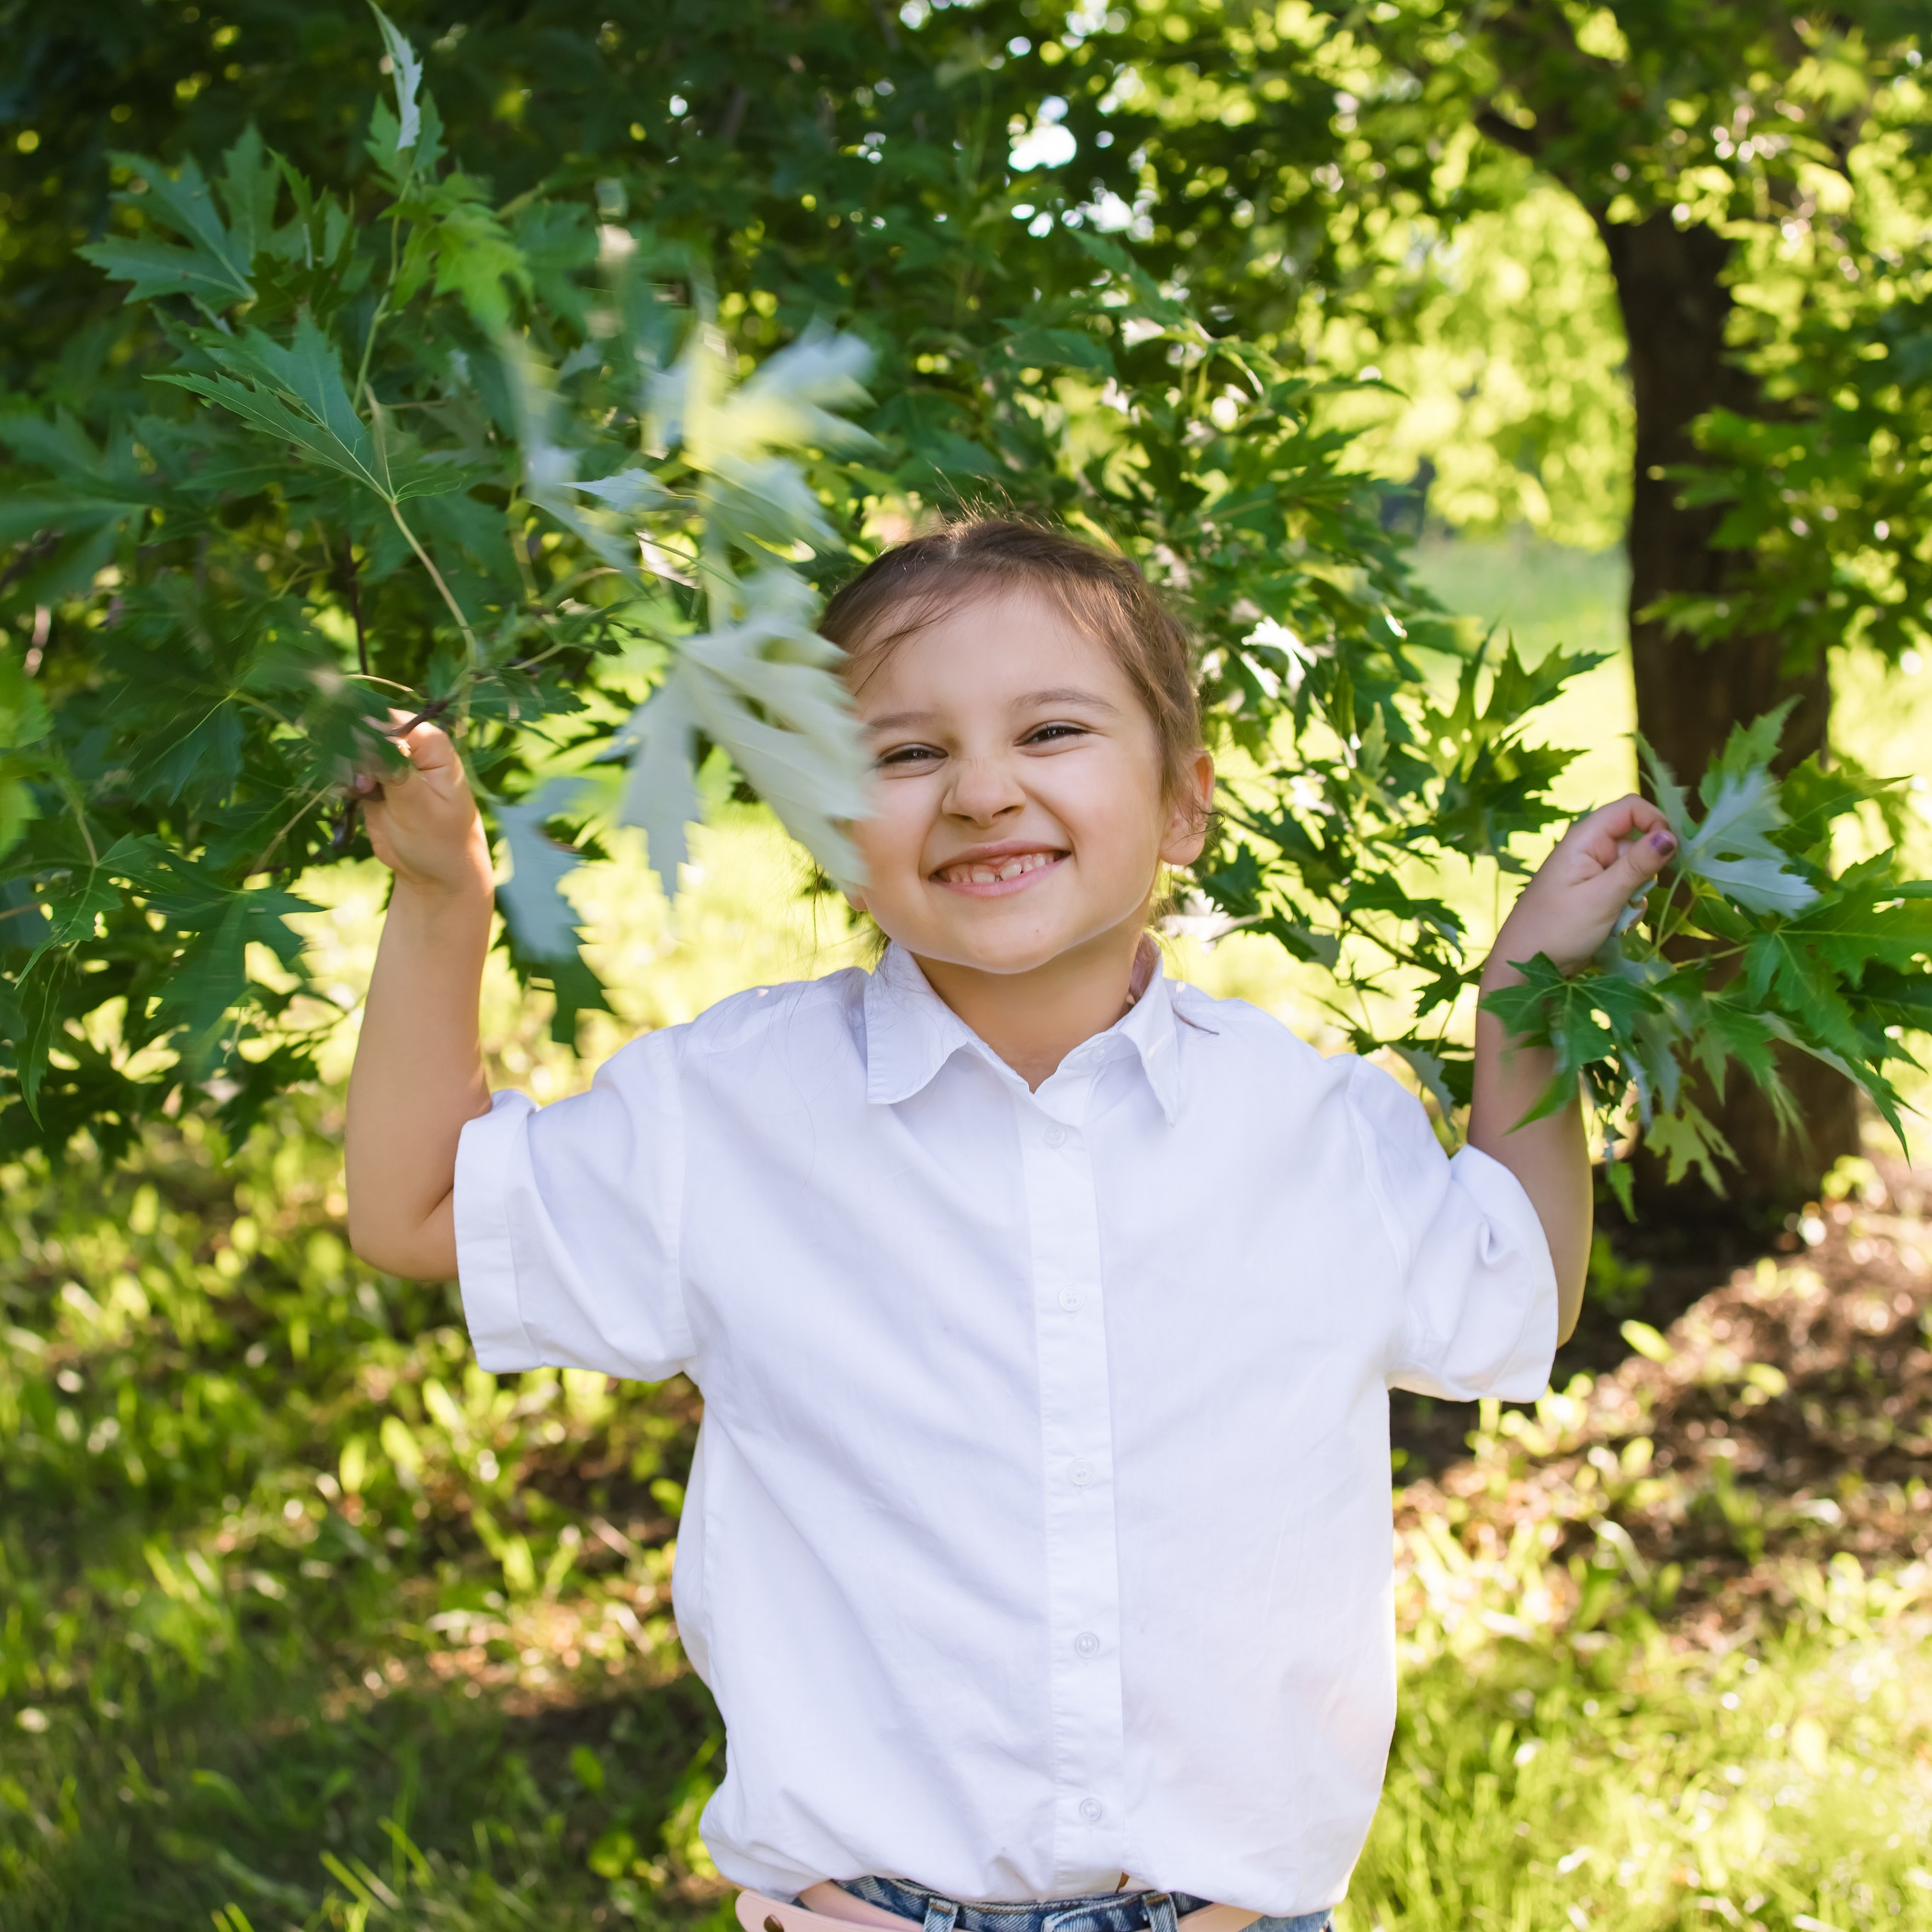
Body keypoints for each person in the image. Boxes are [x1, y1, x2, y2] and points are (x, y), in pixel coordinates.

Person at [345, 519, 1677, 1932]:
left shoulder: (1313, 1127)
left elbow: (1511, 1284)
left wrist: (1523, 1001)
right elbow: (419, 1204)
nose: (982, 791)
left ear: (1183, 806)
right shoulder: (726, 1117)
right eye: (907, 755)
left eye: (1052, 730)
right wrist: (444, 898)